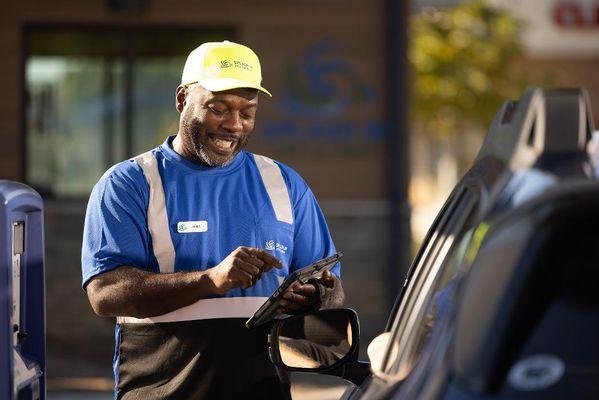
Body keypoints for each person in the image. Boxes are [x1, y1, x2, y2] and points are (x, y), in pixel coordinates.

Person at [81, 40, 344, 399]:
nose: (233, 125)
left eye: (247, 112)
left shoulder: (284, 184)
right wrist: (211, 279)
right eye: (218, 108)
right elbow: (104, 293)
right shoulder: (130, 184)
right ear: (182, 99)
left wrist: (313, 298)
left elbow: (332, 293)